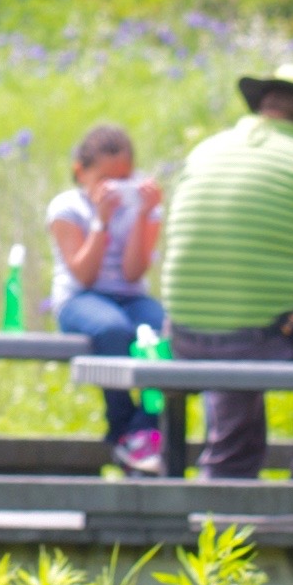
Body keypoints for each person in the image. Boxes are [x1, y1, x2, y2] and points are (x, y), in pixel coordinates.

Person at [152, 74, 293, 486]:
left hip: (185, 331)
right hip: (264, 335)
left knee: (237, 332)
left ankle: (227, 478)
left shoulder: (204, 153)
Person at [45, 124, 172, 471]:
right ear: (80, 173)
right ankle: (122, 428)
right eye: (106, 180)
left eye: (125, 178)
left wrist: (144, 215)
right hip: (80, 299)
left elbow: (133, 273)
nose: (117, 189)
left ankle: (146, 428)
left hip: (129, 296)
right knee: (113, 330)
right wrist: (100, 222)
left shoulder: (144, 208)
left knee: (167, 331)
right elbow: (82, 274)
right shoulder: (67, 208)